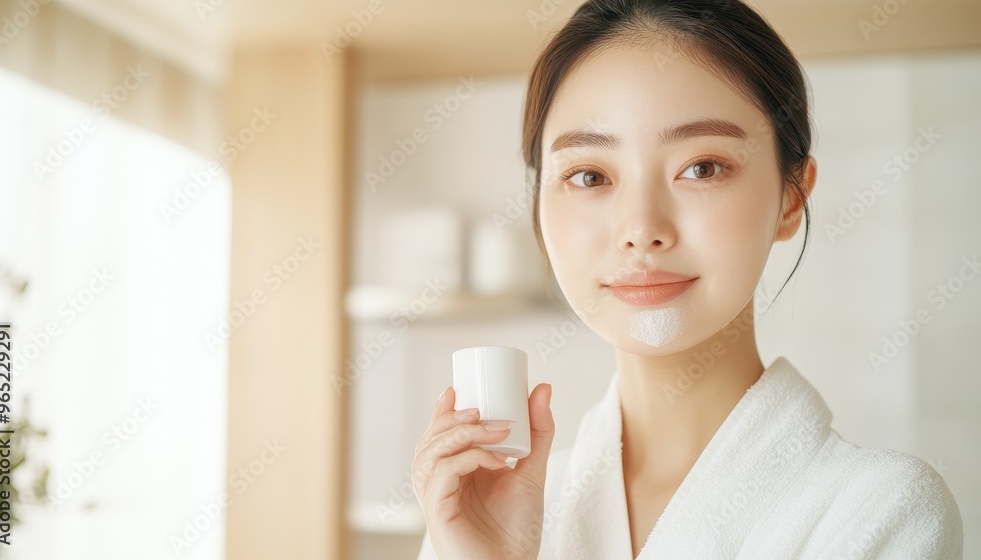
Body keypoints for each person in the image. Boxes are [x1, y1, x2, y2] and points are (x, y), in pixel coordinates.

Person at [411, 1, 964, 558]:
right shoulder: (481, 512)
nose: (641, 230)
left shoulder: (880, 511)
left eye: (702, 167)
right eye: (589, 175)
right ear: (537, 209)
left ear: (791, 197)